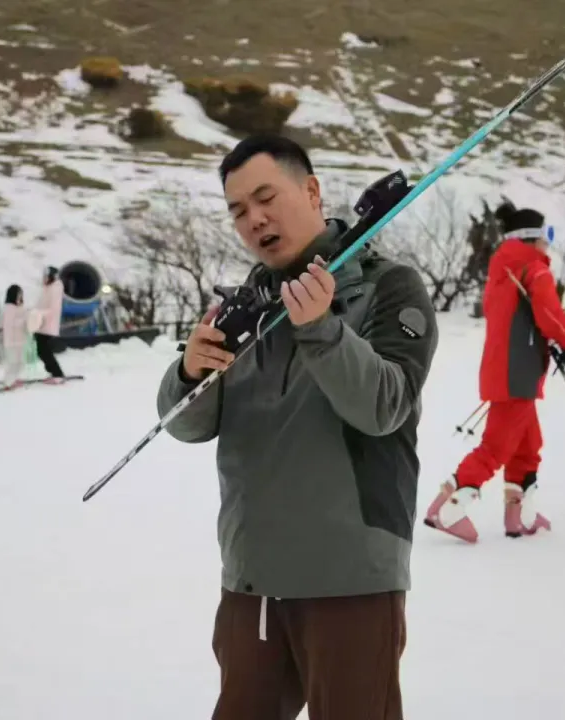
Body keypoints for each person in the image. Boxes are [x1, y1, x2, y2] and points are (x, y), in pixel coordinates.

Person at [155, 134, 438, 720]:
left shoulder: (388, 286)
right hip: (252, 578)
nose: (254, 219)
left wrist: (321, 329)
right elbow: (185, 426)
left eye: (266, 198)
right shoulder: (244, 308)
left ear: (310, 191)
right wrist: (190, 372)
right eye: (238, 210)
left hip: (350, 578)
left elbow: (385, 407)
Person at [425, 202, 565, 544]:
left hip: (505, 369)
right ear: (532, 237)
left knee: (527, 444)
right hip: (518, 372)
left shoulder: (503, 269)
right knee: (496, 447)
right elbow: (550, 315)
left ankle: (520, 516)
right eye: (546, 235)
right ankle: (446, 508)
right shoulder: (533, 269)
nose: (548, 244)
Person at [33, 266, 65, 383]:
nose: (44, 279)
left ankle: (58, 374)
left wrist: (39, 314)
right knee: (41, 351)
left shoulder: (55, 289)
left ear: (52, 277)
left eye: (46, 277)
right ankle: (54, 373)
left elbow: (53, 309)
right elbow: (40, 304)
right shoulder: (47, 288)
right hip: (41, 324)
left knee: (44, 351)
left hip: (48, 325)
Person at [0, 284, 28, 389]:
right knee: (14, 363)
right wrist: (23, 321)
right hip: (12, 341)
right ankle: (8, 382)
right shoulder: (9, 308)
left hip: (19, 340)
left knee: (20, 363)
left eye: (21, 294)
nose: (20, 296)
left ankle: (13, 379)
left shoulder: (18, 307)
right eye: (18, 294)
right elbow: (8, 324)